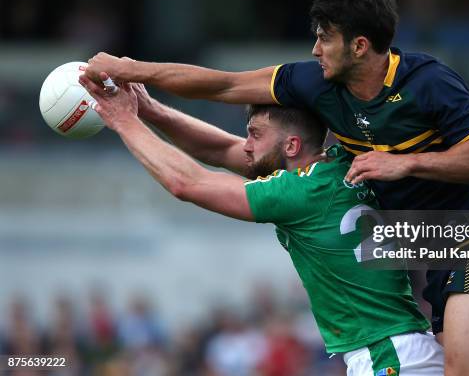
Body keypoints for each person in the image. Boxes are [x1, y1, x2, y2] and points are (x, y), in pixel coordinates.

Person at [85, 0, 469, 375]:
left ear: (359, 46)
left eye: (325, 38)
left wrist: (406, 163)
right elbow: (221, 90)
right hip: (430, 259)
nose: (315, 48)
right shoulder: (321, 110)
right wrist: (136, 78)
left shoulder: (427, 82)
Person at [78, 74, 444, 375]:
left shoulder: (297, 192)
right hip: (399, 346)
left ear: (291, 146)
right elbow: (218, 150)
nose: (246, 145)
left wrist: (123, 121)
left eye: (255, 134)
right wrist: (150, 110)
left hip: (388, 356)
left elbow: (187, 183)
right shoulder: (338, 162)